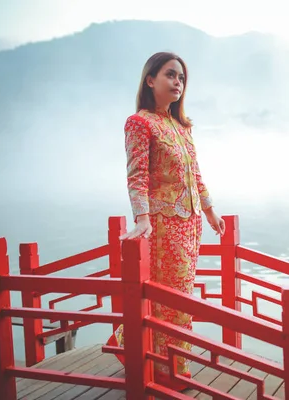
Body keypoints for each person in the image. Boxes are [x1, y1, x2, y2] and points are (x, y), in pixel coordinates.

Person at [106, 51, 225, 391]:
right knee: (167, 298)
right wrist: (142, 218)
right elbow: (136, 175)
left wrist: (210, 211)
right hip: (161, 226)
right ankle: (170, 365)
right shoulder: (140, 122)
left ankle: (159, 358)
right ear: (150, 79)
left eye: (182, 78)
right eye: (171, 75)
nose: (178, 82)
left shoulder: (182, 127)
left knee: (181, 296)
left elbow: (195, 175)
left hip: (189, 226)